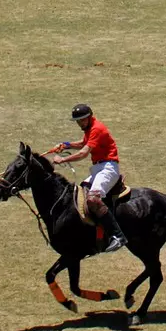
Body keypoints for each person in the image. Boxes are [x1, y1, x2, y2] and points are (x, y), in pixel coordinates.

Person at [47, 104, 125, 253]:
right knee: (80, 195)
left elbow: (84, 153)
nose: (80, 123)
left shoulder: (97, 128)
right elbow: (84, 143)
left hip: (108, 168)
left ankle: (118, 236)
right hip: (98, 168)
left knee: (93, 199)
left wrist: (63, 159)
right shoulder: (90, 129)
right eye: (78, 121)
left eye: (82, 120)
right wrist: (66, 145)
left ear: (89, 117)